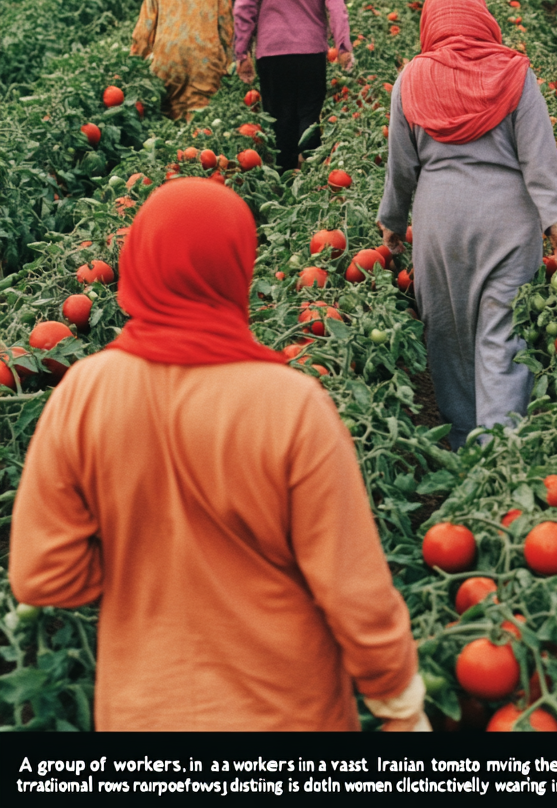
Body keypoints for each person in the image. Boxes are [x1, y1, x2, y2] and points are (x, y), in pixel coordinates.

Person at [10, 179, 426, 732]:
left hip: (142, 711)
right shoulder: (291, 403)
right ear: (237, 269)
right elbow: (353, 591)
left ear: (138, 260)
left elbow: (42, 575)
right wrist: (397, 698)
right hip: (285, 712)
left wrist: (146, 564)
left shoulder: (84, 392)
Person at [377, 0, 557, 449]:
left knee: (445, 331)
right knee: (501, 334)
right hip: (507, 221)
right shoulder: (515, 74)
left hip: (439, 223)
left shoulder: (411, 78)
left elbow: (402, 166)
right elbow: (540, 157)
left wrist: (393, 222)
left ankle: (463, 437)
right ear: (482, 13)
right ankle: (500, 451)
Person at [234, 0, 352, 172]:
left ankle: (284, 174)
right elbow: (336, 7)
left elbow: (245, 7)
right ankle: (309, 178)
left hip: (271, 55)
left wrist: (242, 53)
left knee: (279, 118)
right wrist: (343, 46)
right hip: (310, 53)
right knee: (309, 115)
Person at [130, 0, 233, 120]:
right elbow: (226, 28)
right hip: (204, 64)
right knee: (199, 124)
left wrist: (135, 58)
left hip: (168, 61)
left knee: (167, 119)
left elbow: (146, 24)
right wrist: (228, 62)